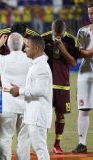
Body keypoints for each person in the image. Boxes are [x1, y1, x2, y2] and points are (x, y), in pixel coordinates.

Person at [0, 32, 31, 160]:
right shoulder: (30, 59)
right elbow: (44, 57)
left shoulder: (3, 60)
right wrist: (26, 42)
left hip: (8, 106)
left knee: (5, 138)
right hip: (26, 105)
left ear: (8, 45)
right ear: (23, 44)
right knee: (24, 140)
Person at [9, 35, 53, 160]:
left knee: (40, 147)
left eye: (27, 46)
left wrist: (20, 91)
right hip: (33, 114)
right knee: (38, 146)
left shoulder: (41, 67)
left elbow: (40, 90)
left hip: (38, 115)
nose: (24, 49)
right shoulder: (38, 64)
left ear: (36, 49)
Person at [41, 19, 78, 154]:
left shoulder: (70, 40)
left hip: (62, 84)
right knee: (44, 115)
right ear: (51, 29)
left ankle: (57, 144)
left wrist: (62, 48)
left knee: (60, 115)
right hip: (45, 85)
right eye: (55, 34)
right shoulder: (43, 38)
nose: (57, 37)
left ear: (64, 31)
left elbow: (73, 63)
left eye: (60, 34)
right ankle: (42, 144)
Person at [73, 1, 93, 153]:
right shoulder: (83, 31)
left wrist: (87, 51)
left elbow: (86, 51)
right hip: (85, 73)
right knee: (83, 108)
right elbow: (82, 52)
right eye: (89, 13)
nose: (91, 16)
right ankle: (82, 143)